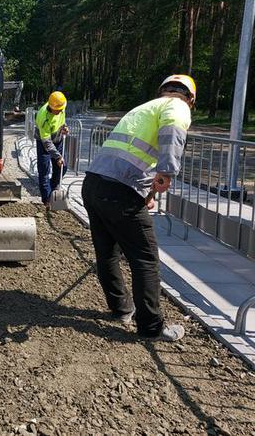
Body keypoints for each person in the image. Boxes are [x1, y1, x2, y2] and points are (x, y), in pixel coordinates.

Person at [81, 74, 195, 342]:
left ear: (162, 90)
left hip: (94, 184)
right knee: (145, 259)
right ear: (190, 98)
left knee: (107, 252)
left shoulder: (143, 108)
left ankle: (121, 309)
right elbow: (173, 132)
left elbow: (130, 153)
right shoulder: (177, 106)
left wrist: (145, 190)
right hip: (120, 191)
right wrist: (166, 172)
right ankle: (151, 327)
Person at [35, 91, 69, 208]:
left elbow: (62, 121)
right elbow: (47, 142)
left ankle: (53, 190)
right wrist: (57, 156)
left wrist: (64, 128)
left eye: (61, 109)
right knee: (44, 171)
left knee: (62, 167)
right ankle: (47, 200)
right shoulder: (43, 116)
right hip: (44, 144)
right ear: (51, 107)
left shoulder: (61, 107)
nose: (60, 111)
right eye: (58, 110)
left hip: (58, 140)